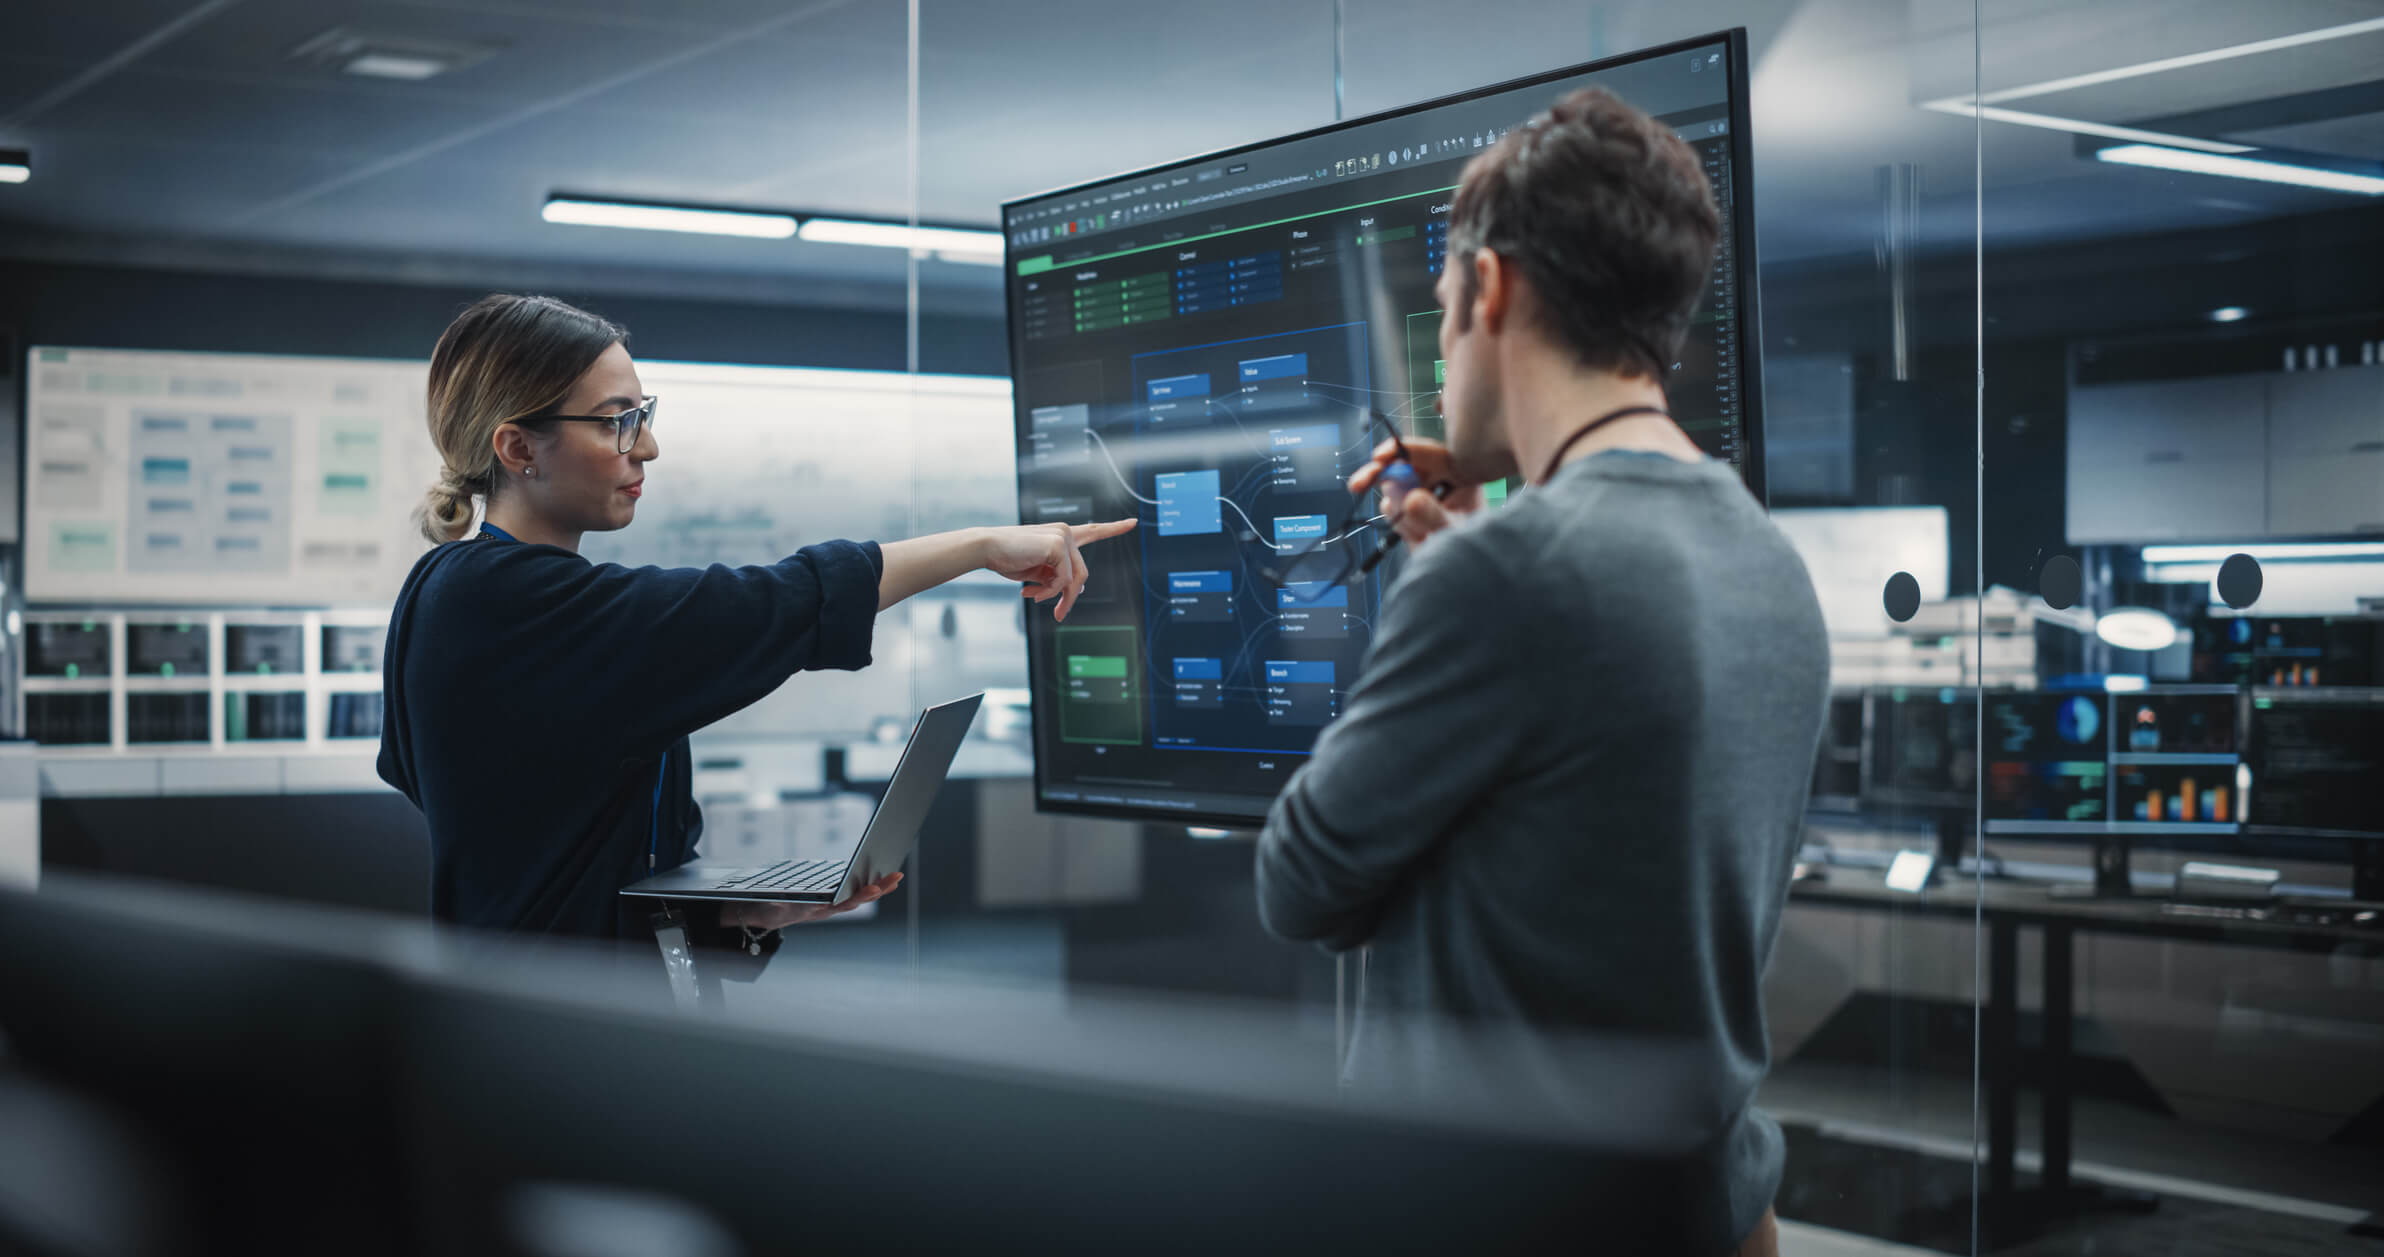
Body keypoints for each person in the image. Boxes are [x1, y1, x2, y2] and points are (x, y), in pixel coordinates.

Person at [1252, 88, 1827, 1257]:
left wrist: (1444, 582)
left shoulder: (1505, 581)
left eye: (1441, 310)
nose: (1443, 344)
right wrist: (1477, 549)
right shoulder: (1768, 563)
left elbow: (1299, 885)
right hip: (1703, 1213)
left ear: (1492, 288)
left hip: (1492, 1214)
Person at [379, 293, 1134, 951]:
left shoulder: (452, 587)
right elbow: (772, 603)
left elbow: (548, 839)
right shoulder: (503, 600)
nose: (646, 445)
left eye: (642, 415)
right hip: (546, 1034)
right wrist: (978, 546)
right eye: (616, 422)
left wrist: (740, 910)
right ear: (517, 448)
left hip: (576, 1014)